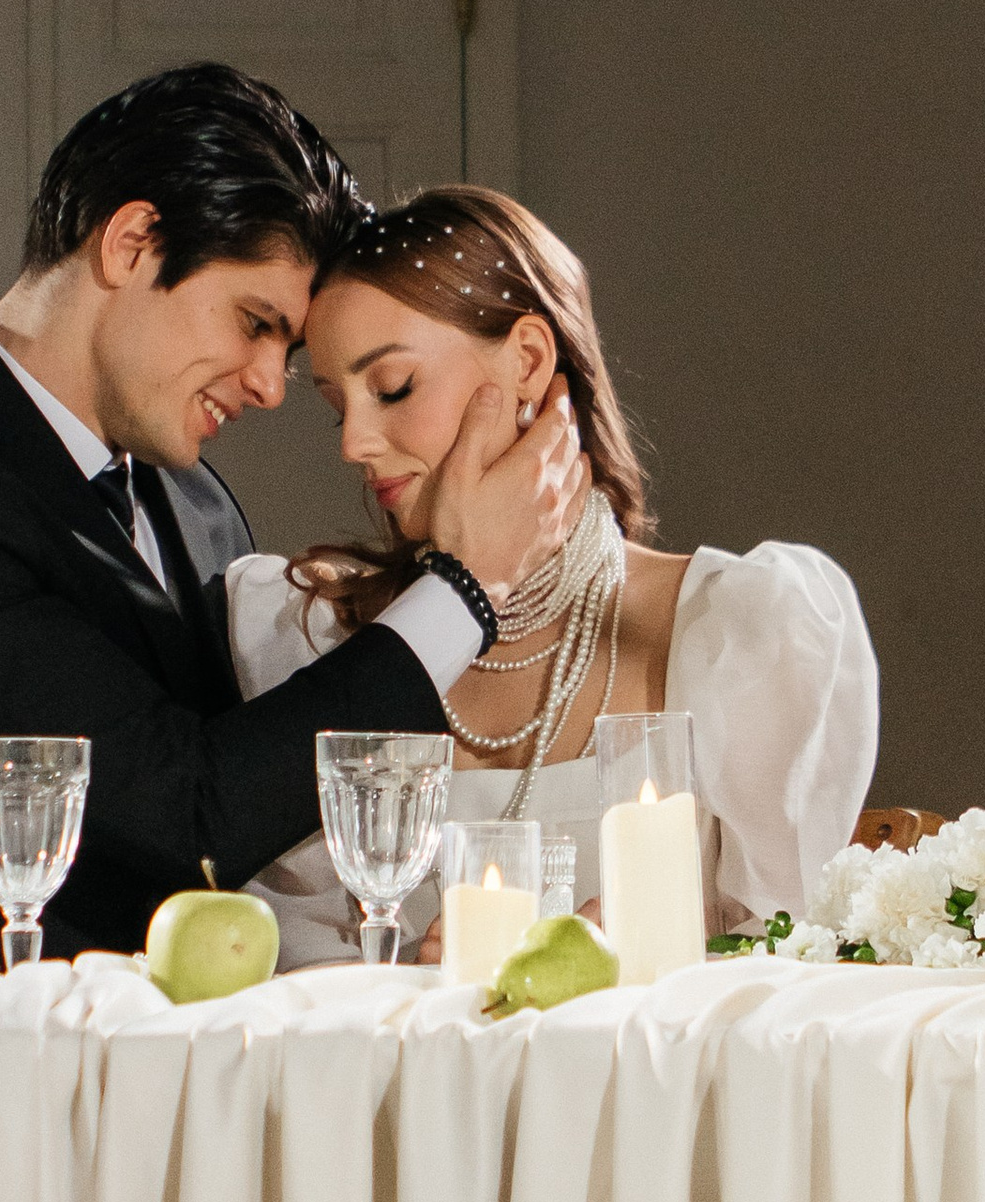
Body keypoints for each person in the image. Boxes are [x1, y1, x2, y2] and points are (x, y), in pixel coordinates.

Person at [0, 68, 582, 967]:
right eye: (254, 323)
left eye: (286, 351)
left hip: (151, 1075)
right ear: (134, 243)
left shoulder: (197, 504)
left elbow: (254, 811)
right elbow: (192, 814)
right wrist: (465, 587)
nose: (269, 387)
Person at [227, 185, 876, 959]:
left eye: (393, 388)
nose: (355, 443)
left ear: (529, 362)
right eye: (339, 406)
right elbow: (278, 978)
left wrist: (650, 951)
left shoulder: (744, 630)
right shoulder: (304, 635)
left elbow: (794, 968)